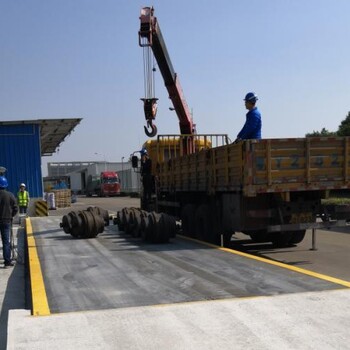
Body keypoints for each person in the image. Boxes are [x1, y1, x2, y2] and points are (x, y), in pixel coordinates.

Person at [0, 176, 18, 268]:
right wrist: (11, 216)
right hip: (6, 221)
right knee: (6, 242)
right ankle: (7, 262)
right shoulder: (10, 195)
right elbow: (15, 208)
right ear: (5, 185)